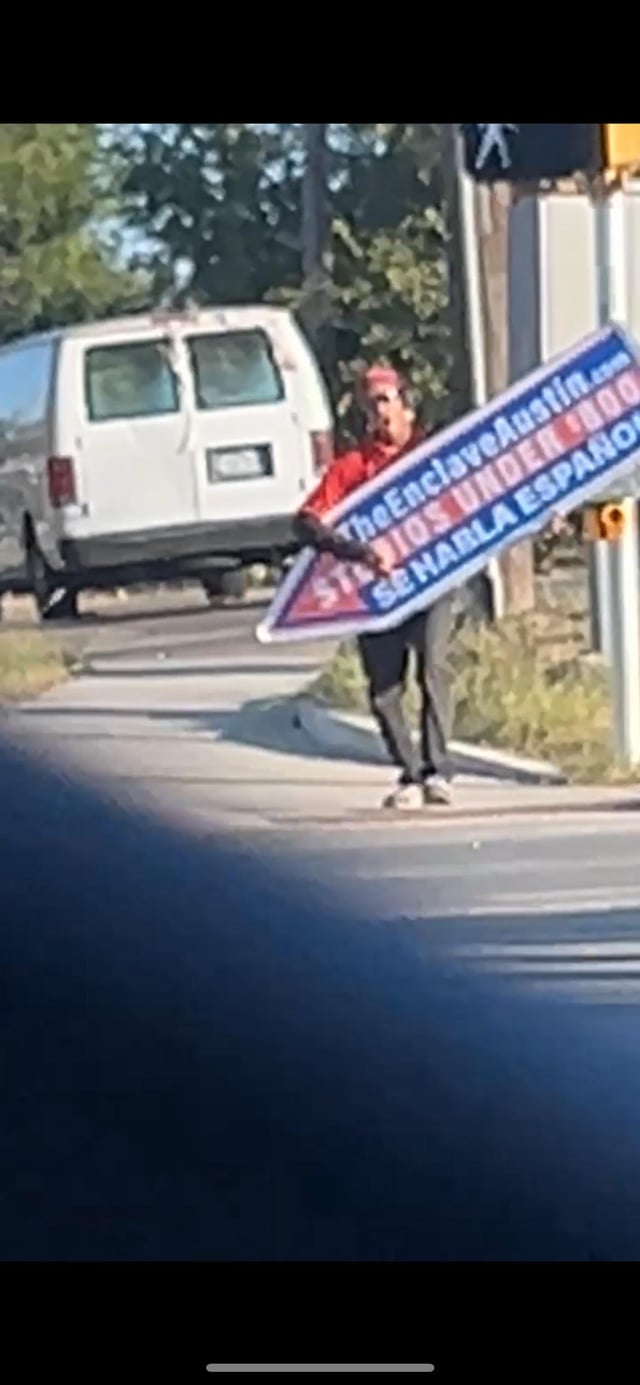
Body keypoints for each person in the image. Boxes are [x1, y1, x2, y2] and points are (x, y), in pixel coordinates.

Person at [293, 364, 456, 810]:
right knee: (385, 689)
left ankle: (439, 770)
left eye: (384, 399)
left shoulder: (436, 452)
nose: (377, 411)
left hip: (432, 581)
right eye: (369, 403)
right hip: (376, 591)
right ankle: (411, 773)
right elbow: (306, 523)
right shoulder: (353, 467)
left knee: (434, 668)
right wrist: (361, 554)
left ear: (406, 404)